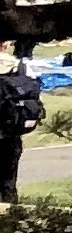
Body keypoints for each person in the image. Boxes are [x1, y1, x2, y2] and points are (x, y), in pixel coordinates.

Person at [0, 46, 39, 203]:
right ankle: (12, 216)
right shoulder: (20, 65)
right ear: (4, 45)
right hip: (13, 129)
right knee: (9, 182)